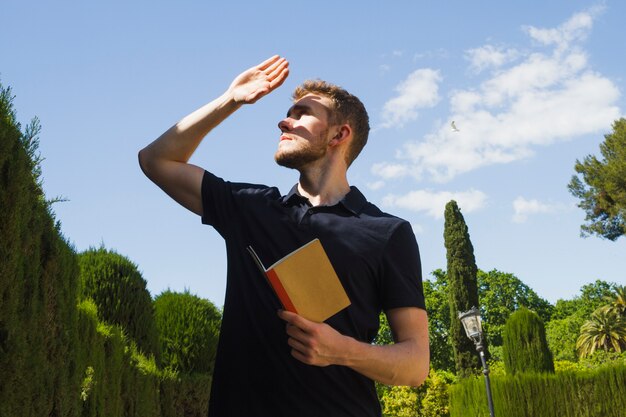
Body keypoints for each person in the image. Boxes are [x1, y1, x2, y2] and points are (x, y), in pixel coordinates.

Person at [139, 55, 429, 417]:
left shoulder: (387, 232)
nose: (283, 120)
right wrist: (230, 99)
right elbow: (156, 160)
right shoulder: (250, 208)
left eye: (301, 113)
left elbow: (416, 364)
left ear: (340, 135)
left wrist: (342, 350)